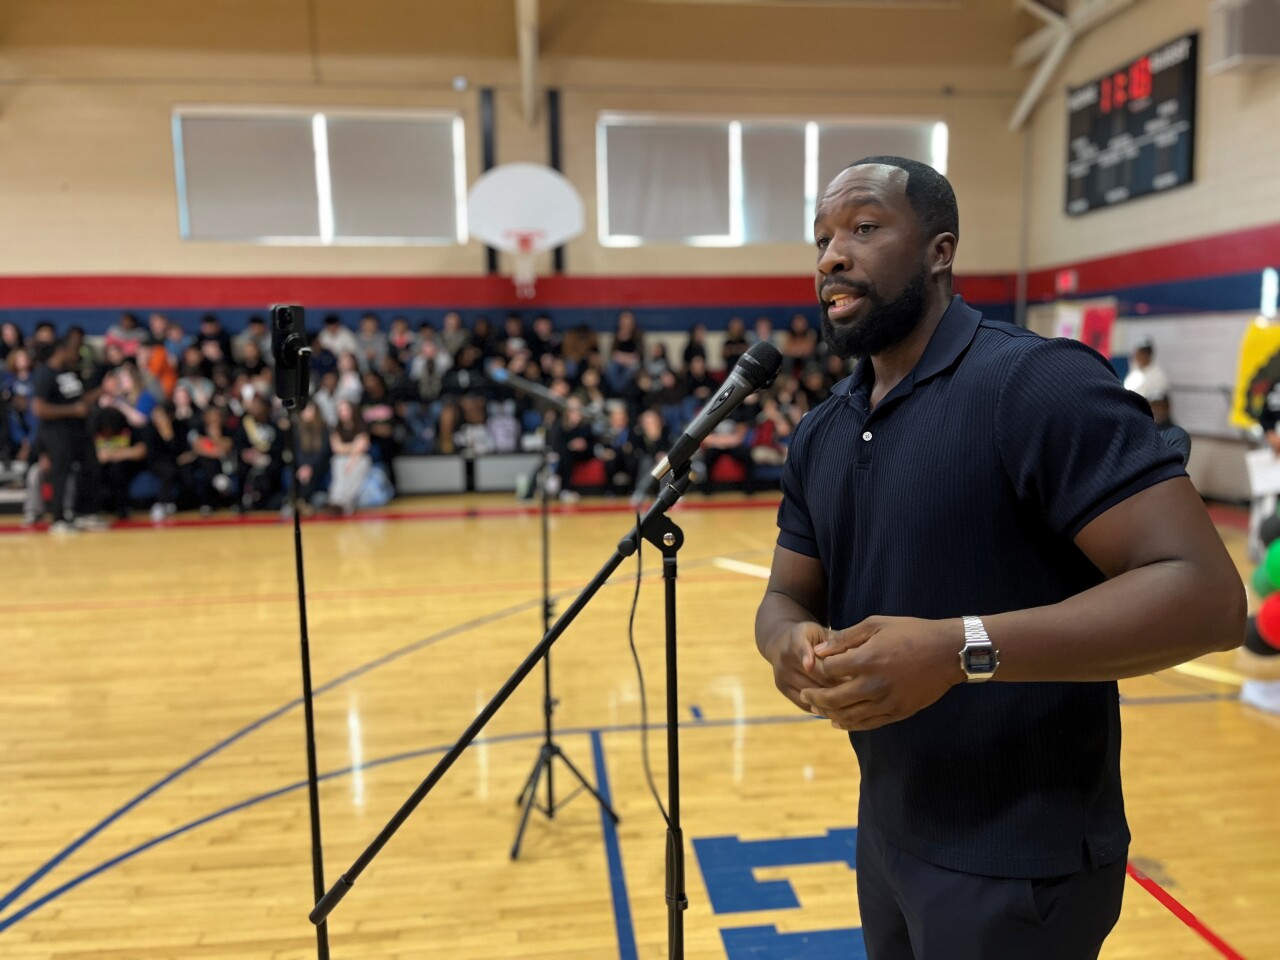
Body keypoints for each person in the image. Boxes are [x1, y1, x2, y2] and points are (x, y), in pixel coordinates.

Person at [753, 156, 1245, 960]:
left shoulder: (1035, 386)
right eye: (822, 238)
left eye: (864, 228)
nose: (831, 256)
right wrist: (787, 645)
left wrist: (957, 650)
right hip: (887, 826)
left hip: (1022, 853)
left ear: (941, 251)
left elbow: (1208, 598)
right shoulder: (825, 429)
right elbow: (786, 596)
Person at [30, 338, 106, 532]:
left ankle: (85, 513)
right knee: (60, 474)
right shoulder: (44, 374)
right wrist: (72, 410)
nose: (77, 354)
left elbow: (80, 400)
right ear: (61, 350)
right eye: (74, 350)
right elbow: (39, 409)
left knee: (90, 467)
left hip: (79, 431)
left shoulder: (70, 373)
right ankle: (58, 519)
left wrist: (102, 390)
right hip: (57, 433)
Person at [1122, 335, 1170, 402]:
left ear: (1147, 354)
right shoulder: (1134, 372)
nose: (1136, 356)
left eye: (1139, 353)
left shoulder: (1158, 377)